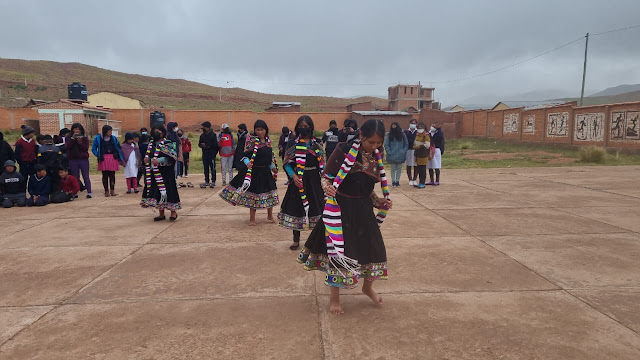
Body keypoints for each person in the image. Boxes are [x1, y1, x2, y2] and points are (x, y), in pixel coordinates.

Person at [298, 119, 392, 315]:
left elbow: (368, 190)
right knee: (339, 254)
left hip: (364, 210)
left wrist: (379, 201)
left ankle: (368, 288)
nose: (374, 147)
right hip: (341, 210)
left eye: (378, 143)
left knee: (374, 250)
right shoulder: (343, 151)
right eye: (370, 142)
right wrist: (328, 187)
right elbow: (326, 177)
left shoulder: (377, 157)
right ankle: (334, 299)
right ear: (361, 136)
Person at [278, 115, 326, 250]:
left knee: (316, 209)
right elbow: (287, 163)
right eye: (301, 126)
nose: (303, 128)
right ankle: (296, 240)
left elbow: (322, 163)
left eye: (306, 126)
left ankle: (313, 240)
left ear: (311, 127)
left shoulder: (317, 143)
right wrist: (293, 176)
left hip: (315, 181)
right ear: (297, 128)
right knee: (297, 209)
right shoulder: (293, 143)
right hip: (298, 180)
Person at [219, 120, 279, 225]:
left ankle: (270, 215)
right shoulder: (252, 141)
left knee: (270, 193)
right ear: (255, 131)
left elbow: (268, 159)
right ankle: (252, 219)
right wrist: (248, 163)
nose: (260, 132)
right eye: (257, 130)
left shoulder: (268, 141)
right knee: (254, 195)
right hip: (255, 171)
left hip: (266, 172)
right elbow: (245, 156)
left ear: (266, 130)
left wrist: (272, 168)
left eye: (262, 130)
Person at [140, 124, 181, 221]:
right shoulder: (151, 145)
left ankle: (173, 212)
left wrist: (160, 160)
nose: (155, 133)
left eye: (158, 132)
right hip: (155, 172)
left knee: (170, 191)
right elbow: (150, 156)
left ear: (163, 133)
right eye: (154, 131)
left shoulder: (168, 143)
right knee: (157, 191)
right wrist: (147, 159)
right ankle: (161, 213)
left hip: (167, 172)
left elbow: (173, 157)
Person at [92, 125, 124, 197]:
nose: (110, 132)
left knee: (112, 175)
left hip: (112, 158)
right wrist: (98, 155)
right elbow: (93, 149)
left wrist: (119, 155)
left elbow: (118, 147)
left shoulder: (113, 138)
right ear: (105, 131)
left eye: (111, 131)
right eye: (109, 131)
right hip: (103, 159)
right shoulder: (98, 139)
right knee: (105, 175)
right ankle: (106, 191)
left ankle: (112, 190)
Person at [66, 123, 92, 198]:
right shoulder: (69, 138)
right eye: (75, 129)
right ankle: (75, 192)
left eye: (78, 129)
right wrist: (73, 139)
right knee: (75, 176)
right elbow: (67, 147)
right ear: (72, 130)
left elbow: (85, 149)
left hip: (83, 159)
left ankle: (89, 192)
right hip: (73, 160)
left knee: (86, 176)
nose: (77, 131)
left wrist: (80, 142)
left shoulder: (84, 138)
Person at [384, 122, 409, 187]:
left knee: (399, 168)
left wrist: (403, 151)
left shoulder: (402, 134)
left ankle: (397, 181)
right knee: (393, 168)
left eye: (395, 126)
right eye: (392, 126)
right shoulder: (389, 135)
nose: (394, 127)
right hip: (392, 154)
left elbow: (406, 144)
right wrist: (389, 152)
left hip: (401, 154)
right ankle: (393, 181)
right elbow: (386, 144)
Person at [198, 121, 219, 188]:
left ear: (208, 128)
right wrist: (202, 145)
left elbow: (215, 145)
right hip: (205, 154)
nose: (203, 129)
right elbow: (199, 144)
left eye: (204, 127)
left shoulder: (213, 135)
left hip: (211, 154)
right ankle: (206, 181)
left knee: (212, 168)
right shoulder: (202, 135)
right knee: (205, 168)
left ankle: (213, 181)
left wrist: (207, 146)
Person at [412, 122, 431, 189]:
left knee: (423, 169)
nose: (419, 129)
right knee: (419, 169)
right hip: (417, 154)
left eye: (421, 128)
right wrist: (417, 147)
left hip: (423, 154)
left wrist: (419, 146)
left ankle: (422, 183)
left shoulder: (426, 135)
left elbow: (427, 145)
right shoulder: (417, 135)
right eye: (418, 128)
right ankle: (420, 182)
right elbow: (414, 145)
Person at [405, 118, 418, 186]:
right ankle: (410, 179)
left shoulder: (418, 132)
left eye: (414, 123)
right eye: (412, 123)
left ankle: (415, 179)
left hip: (416, 150)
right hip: (408, 150)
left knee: (416, 165)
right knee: (409, 165)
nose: (413, 125)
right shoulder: (406, 132)